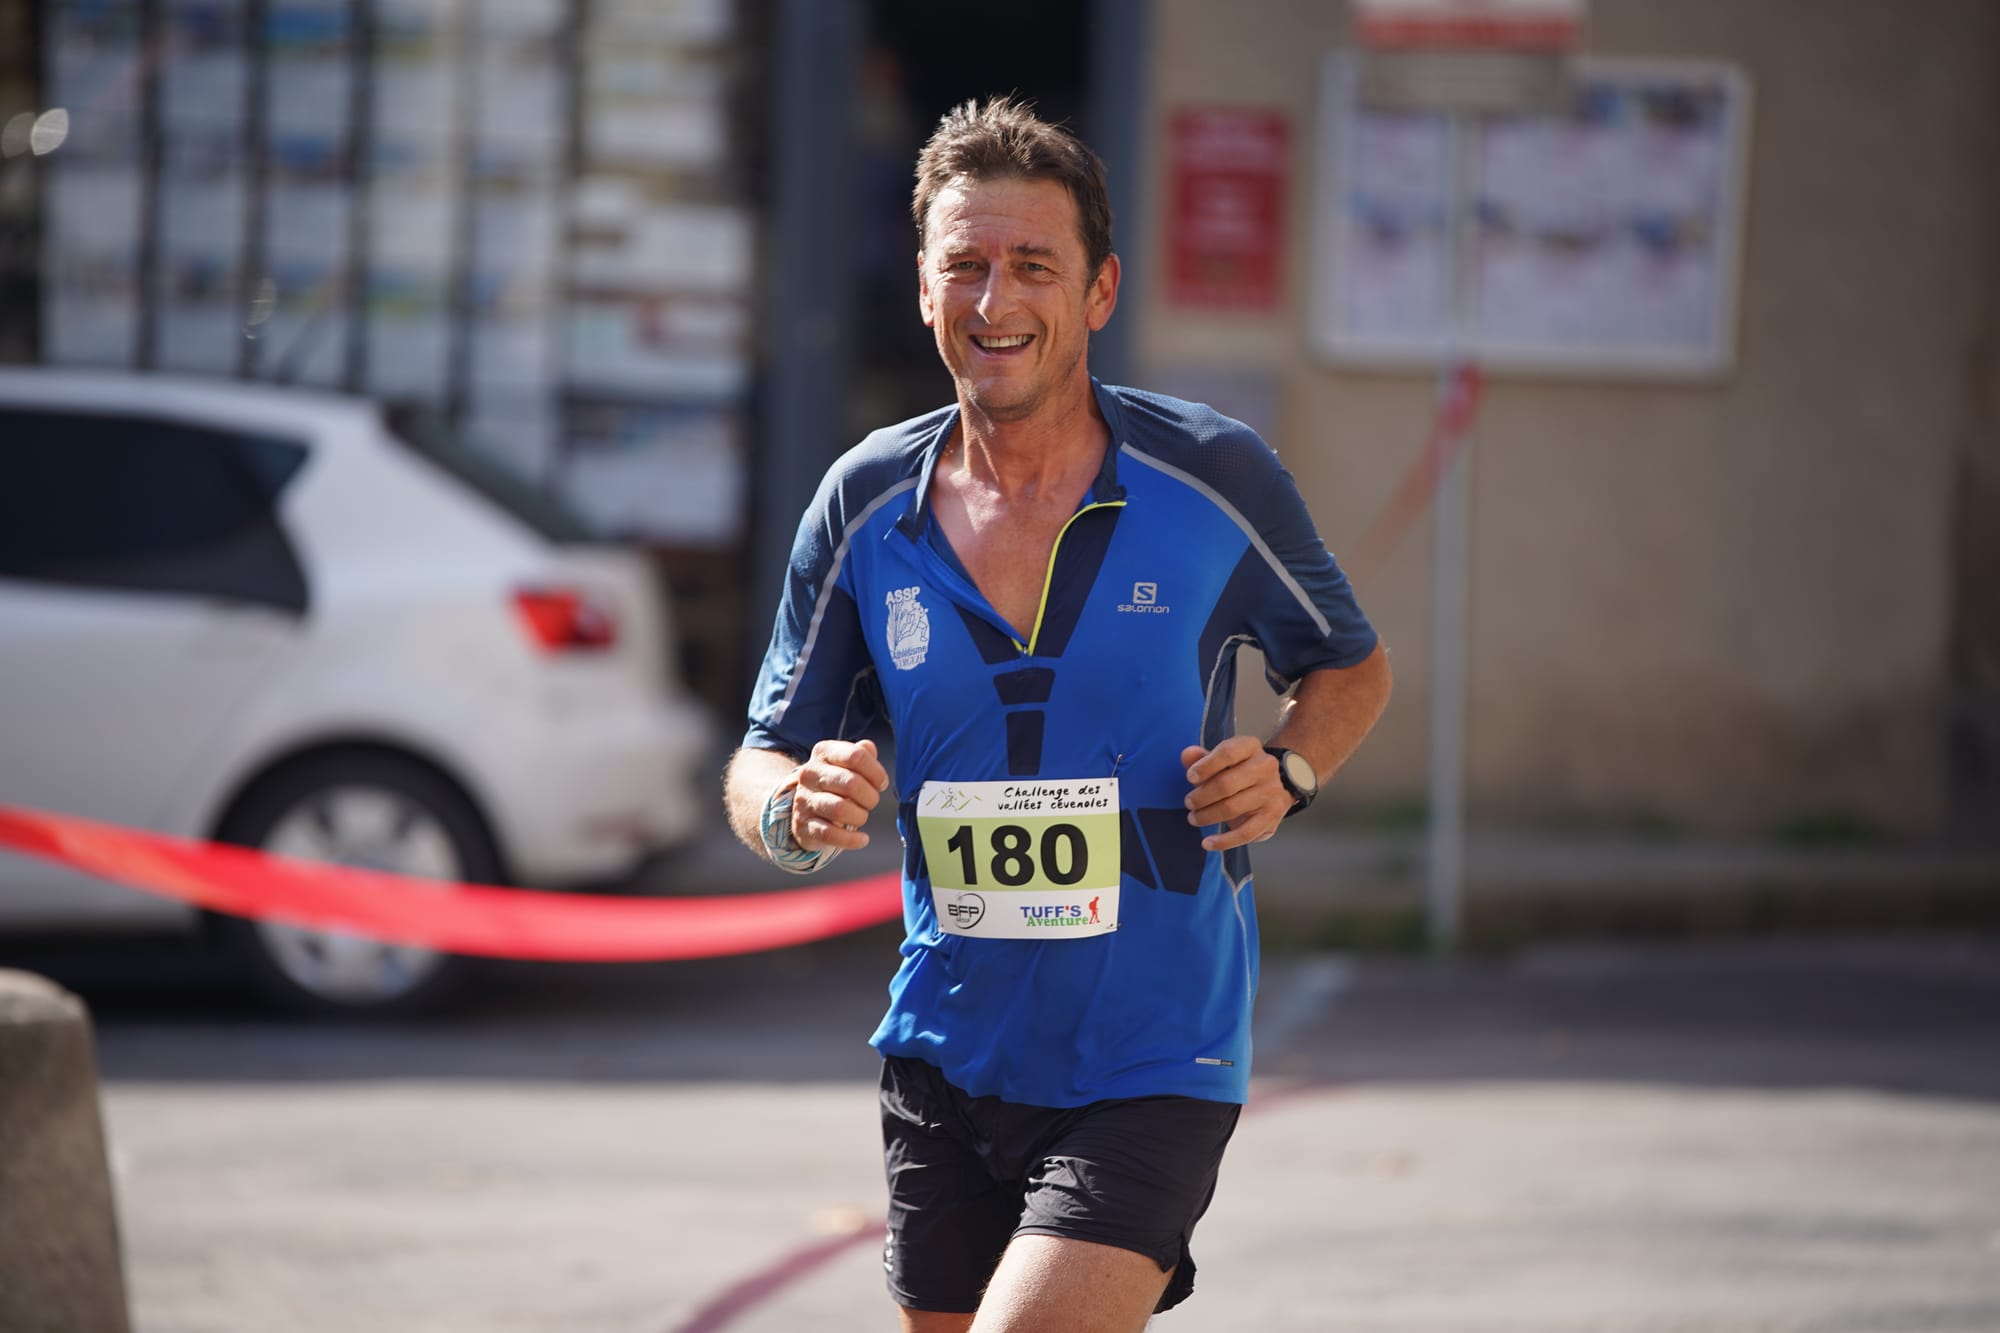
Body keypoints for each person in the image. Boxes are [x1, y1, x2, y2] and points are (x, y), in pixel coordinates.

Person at [724, 95, 1392, 1333]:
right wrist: (790, 814)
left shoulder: (1211, 476)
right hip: (942, 1045)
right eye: (963, 266)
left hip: (1153, 1047)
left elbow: (1349, 667)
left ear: (1097, 292)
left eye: (1032, 265)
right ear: (922, 289)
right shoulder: (863, 503)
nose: (994, 301)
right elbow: (762, 756)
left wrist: (1290, 771)